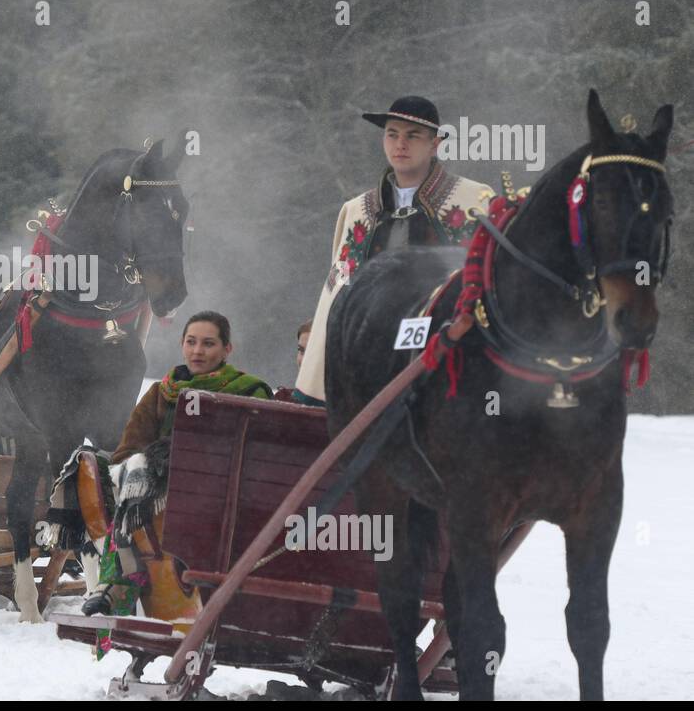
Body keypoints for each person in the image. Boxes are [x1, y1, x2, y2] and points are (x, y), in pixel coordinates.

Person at [293, 96, 494, 405]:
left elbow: (488, 284)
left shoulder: (474, 200)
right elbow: (336, 292)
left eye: (413, 135)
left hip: (444, 353)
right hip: (367, 353)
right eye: (392, 134)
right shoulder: (357, 210)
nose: (400, 144)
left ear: (435, 143)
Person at [83, 310, 272, 621]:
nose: (198, 351)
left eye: (209, 344)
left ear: (227, 349)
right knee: (108, 472)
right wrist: (154, 464)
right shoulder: (162, 393)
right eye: (191, 342)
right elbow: (126, 450)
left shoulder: (250, 392)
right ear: (182, 344)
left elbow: (259, 456)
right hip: (159, 502)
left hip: (222, 502)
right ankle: (123, 578)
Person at [271, 319, 313, 403]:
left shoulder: (344, 409)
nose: (303, 360)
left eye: (313, 352)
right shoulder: (281, 402)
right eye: (301, 350)